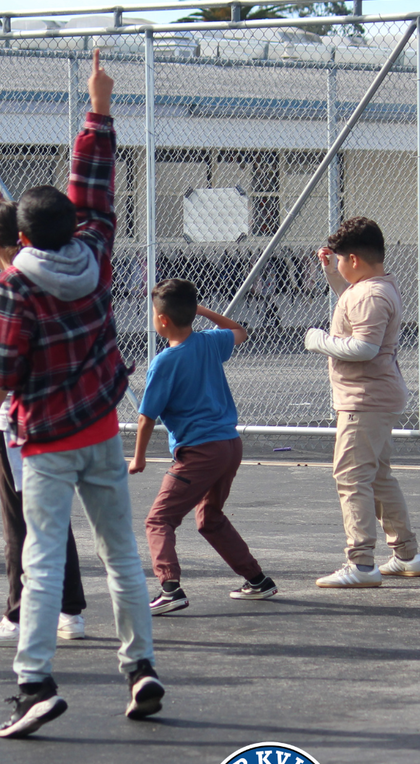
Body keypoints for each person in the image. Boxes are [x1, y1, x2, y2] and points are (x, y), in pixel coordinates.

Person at [0, 50, 164, 737]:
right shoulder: (97, 252)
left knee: (41, 561)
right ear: (69, 228)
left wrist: (16, 395)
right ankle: (139, 669)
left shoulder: (13, 289)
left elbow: (2, 366)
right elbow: (94, 183)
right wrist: (98, 106)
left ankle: (35, 683)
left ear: (19, 239)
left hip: (45, 440)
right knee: (122, 557)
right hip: (101, 429)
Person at [0, 177, 86, 647]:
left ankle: (17, 616)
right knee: (53, 516)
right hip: (65, 412)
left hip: (20, 419)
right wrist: (1, 203)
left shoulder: (1, 288)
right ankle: (70, 611)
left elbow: (5, 369)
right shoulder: (66, 272)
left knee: (20, 521)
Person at [129, 278, 277, 614]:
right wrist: (200, 310)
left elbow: (146, 417)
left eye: (154, 312)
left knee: (158, 520)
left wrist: (138, 458)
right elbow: (240, 331)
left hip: (200, 452)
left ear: (163, 320)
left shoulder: (164, 362)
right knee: (209, 517)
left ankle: (170, 588)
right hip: (229, 446)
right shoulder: (211, 342)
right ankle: (258, 580)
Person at [305, 217, 418, 587]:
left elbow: (364, 348)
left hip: (364, 400)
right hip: (375, 398)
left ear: (353, 259)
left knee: (351, 477)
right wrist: (332, 275)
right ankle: (407, 555)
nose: (336, 265)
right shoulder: (373, 288)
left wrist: (317, 339)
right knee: (379, 477)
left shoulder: (369, 294)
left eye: (339, 260)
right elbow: (353, 306)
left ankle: (362, 564)